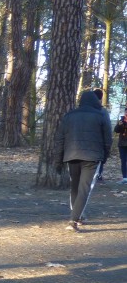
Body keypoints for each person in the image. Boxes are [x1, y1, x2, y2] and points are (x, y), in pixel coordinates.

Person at [54, 90, 113, 232]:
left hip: (71, 155)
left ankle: (77, 217)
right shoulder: (100, 116)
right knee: (84, 188)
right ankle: (73, 220)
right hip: (92, 157)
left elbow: (60, 139)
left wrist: (58, 160)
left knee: (74, 186)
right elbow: (107, 140)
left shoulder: (69, 116)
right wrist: (104, 157)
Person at [116, 107, 127, 184]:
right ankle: (125, 178)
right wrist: (119, 125)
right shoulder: (121, 120)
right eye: (126, 112)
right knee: (123, 161)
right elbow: (116, 130)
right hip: (122, 144)